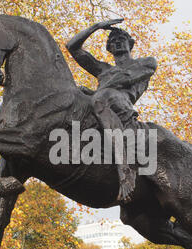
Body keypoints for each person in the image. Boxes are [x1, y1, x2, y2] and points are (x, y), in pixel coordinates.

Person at [66, 19, 157, 203]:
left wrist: (94, 92)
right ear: (109, 48)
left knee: (101, 97)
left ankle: (126, 167)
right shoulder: (103, 69)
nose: (116, 41)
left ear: (129, 43)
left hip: (121, 104)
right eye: (112, 40)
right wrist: (95, 26)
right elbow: (72, 47)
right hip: (102, 104)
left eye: (121, 37)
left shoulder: (146, 62)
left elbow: (125, 80)